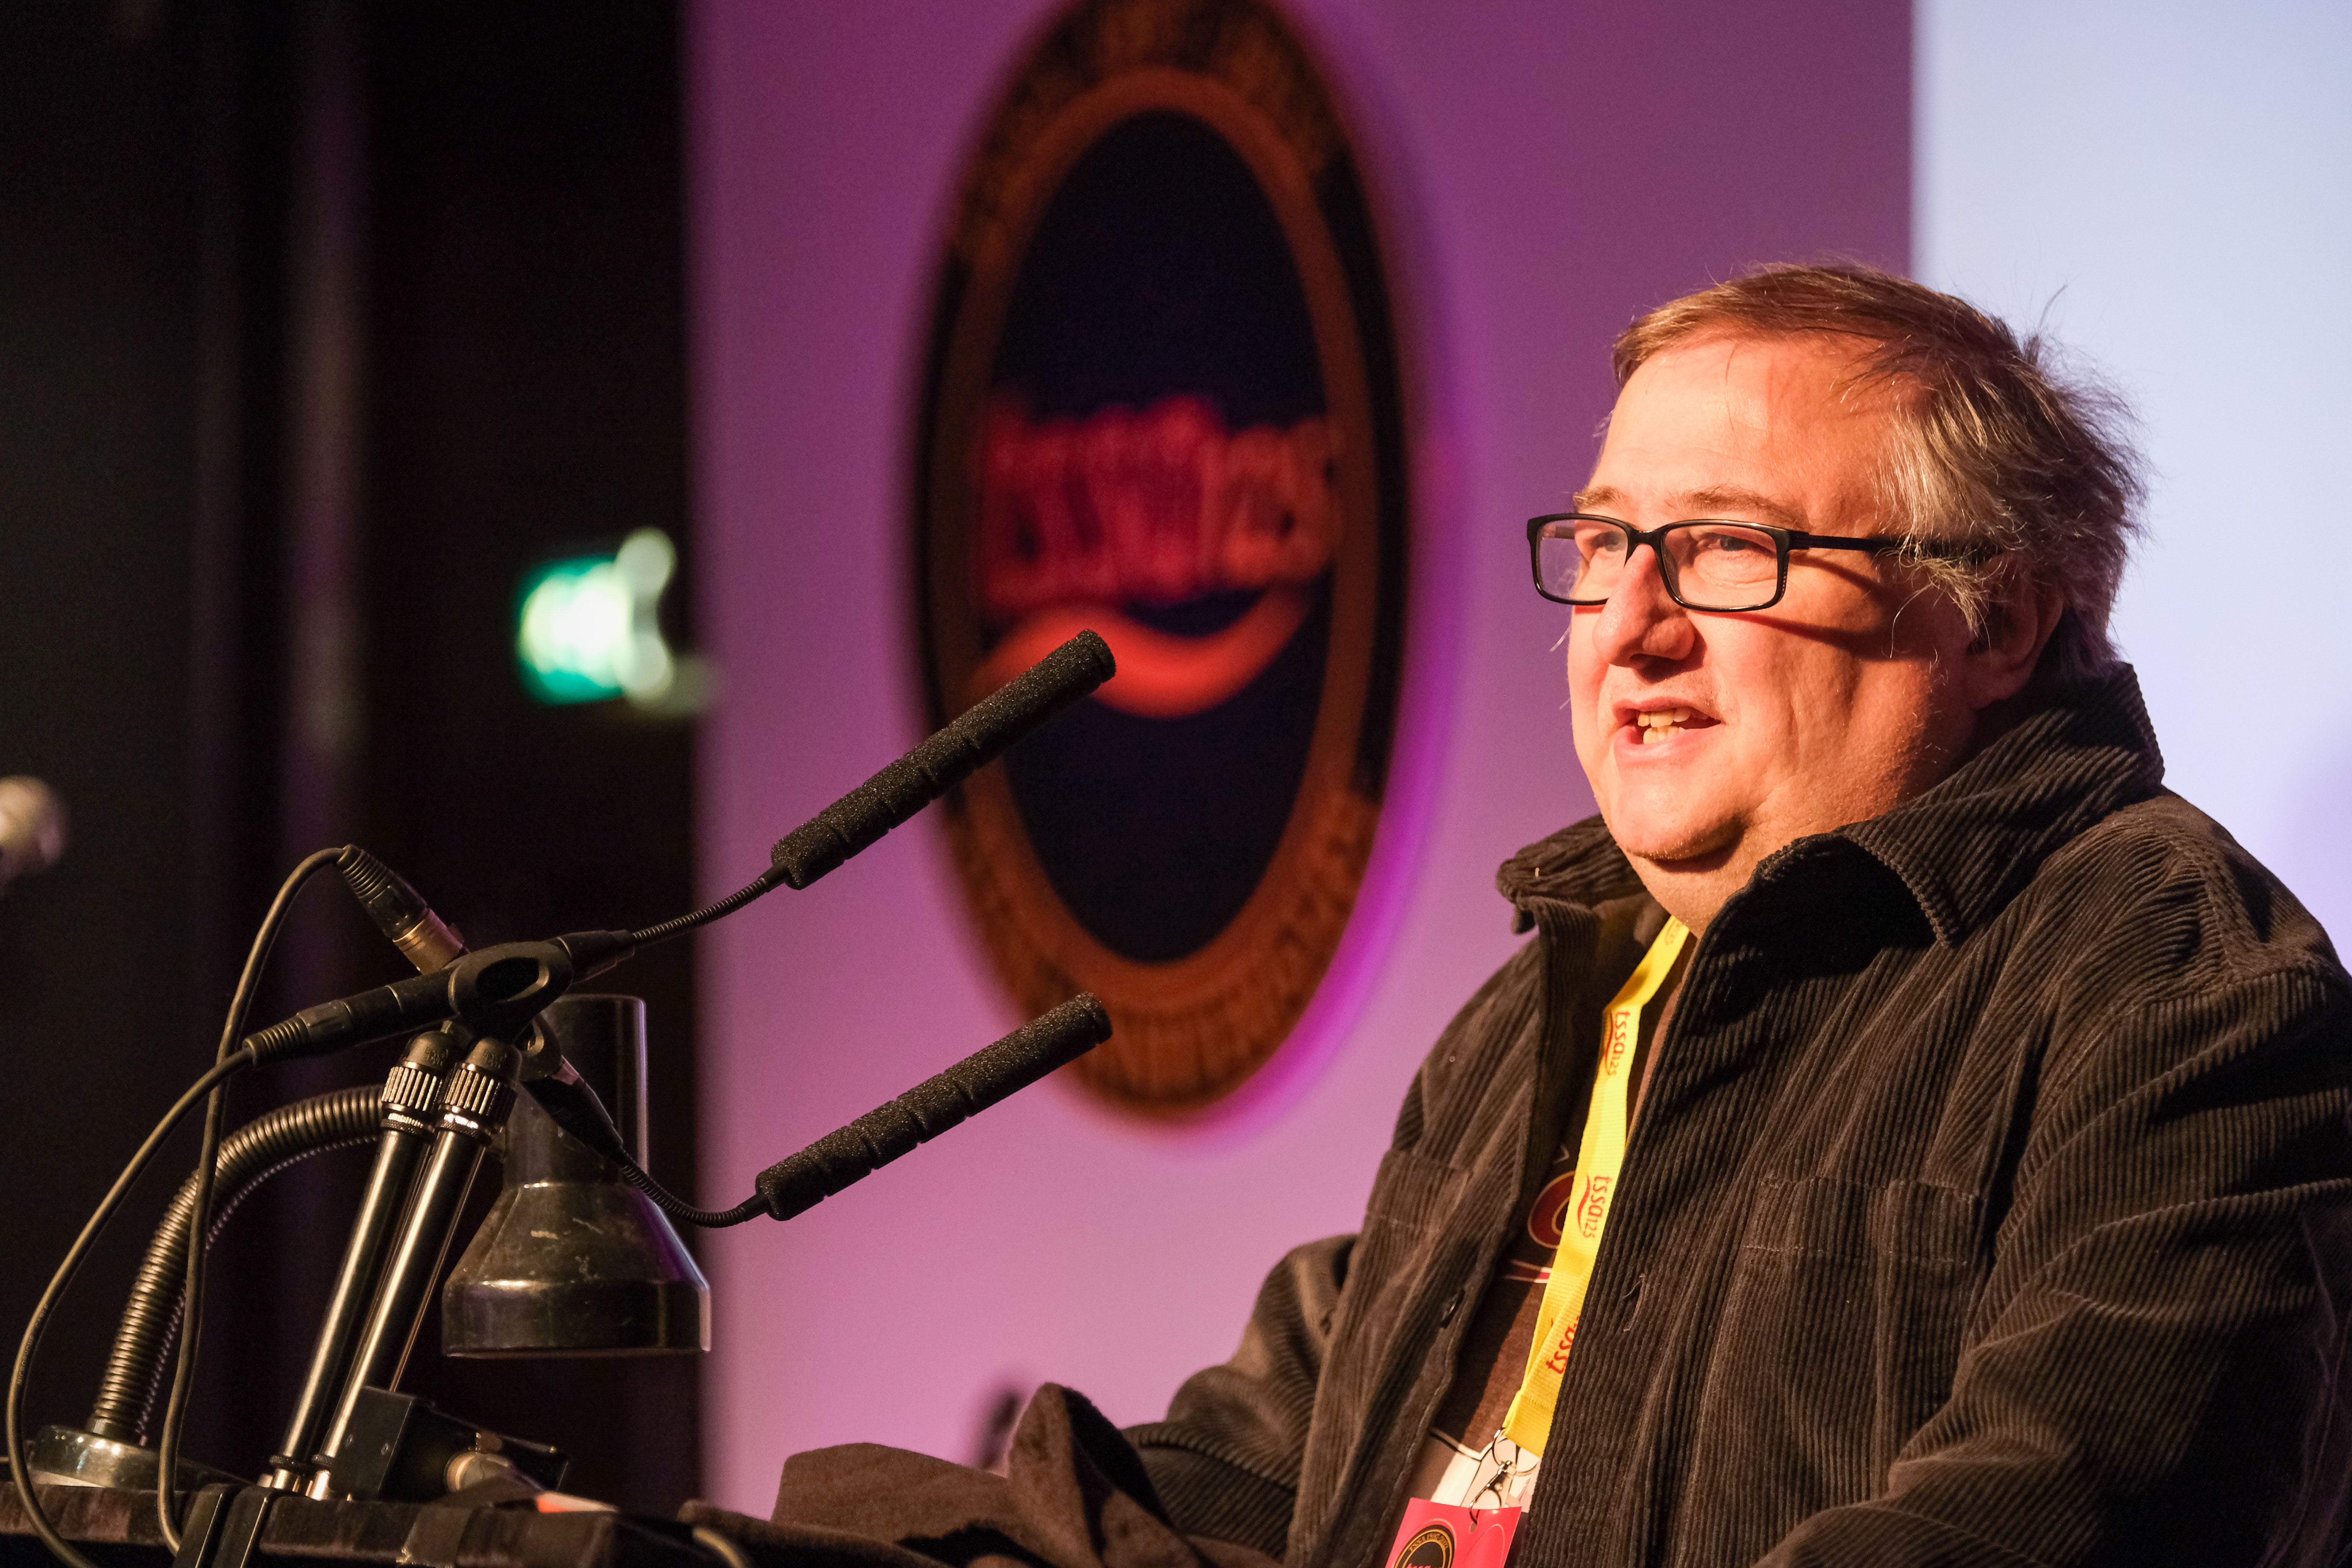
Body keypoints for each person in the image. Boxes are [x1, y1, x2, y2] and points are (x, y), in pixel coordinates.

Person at [704, 264, 2352, 1568]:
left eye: (1720, 550)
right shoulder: (1554, 1001)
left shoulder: (2169, 976)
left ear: (1999, 618)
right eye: (1608, 542)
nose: (1627, 624)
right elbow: (1269, 1463)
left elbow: (2072, 1508)